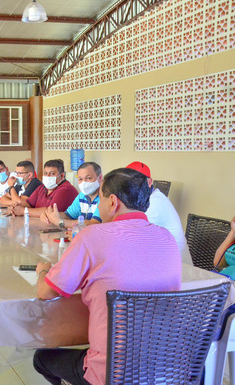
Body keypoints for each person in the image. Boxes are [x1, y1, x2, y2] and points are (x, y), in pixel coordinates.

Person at [33, 168, 181, 385]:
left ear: (113, 202)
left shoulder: (92, 237)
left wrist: (42, 271)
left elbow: (46, 292)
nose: (98, 206)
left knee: (41, 358)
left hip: (112, 372)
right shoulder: (166, 237)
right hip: (167, 369)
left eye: (100, 199)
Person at [126, 161, 191, 263]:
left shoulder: (155, 202)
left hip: (178, 268)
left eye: (137, 182)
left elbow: (133, 238)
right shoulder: (141, 200)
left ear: (149, 182)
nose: (132, 187)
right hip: (160, 260)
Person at [41, 162, 103, 229]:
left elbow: (94, 223)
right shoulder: (82, 195)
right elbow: (68, 215)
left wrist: (61, 222)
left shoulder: (105, 196)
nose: (84, 183)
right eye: (80, 179)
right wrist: (49, 215)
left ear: (100, 178)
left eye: (89, 178)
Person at [9, 159, 78, 217]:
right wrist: (15, 207)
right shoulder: (42, 188)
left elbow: (50, 212)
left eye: (52, 174)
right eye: (45, 173)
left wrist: (23, 211)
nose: (47, 176)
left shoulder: (66, 189)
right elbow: (28, 203)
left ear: (62, 176)